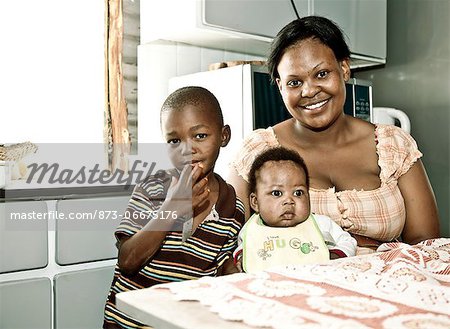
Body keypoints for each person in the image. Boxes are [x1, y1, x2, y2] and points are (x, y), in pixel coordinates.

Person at [228, 16, 440, 255]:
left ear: (344, 69)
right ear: (280, 86)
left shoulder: (394, 145)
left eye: (321, 74)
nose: (309, 91)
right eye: (295, 82)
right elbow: (229, 242)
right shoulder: (257, 151)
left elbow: (426, 242)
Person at [103, 86, 245, 328]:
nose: (187, 150)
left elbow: (220, 268)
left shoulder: (232, 208)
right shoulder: (153, 189)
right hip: (128, 323)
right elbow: (128, 261)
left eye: (200, 136)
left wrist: (238, 274)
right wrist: (173, 209)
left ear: (224, 136)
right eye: (174, 140)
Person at [234, 147, 356, 273]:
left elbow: (348, 241)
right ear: (255, 202)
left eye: (298, 193)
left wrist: (336, 256)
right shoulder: (253, 229)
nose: (289, 200)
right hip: (270, 286)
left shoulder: (320, 224)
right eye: (277, 193)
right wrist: (242, 259)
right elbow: (244, 249)